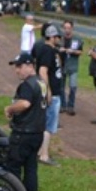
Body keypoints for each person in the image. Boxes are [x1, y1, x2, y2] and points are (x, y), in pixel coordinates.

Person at [3, 52, 47, 191]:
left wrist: (10, 108)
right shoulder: (41, 82)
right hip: (37, 132)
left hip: (24, 133)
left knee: (13, 169)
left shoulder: (27, 85)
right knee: (31, 169)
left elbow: (25, 103)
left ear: (29, 65)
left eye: (19, 66)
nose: (17, 70)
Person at [36, 24, 63, 166]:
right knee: (49, 125)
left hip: (54, 92)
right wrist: (48, 91)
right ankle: (44, 155)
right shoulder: (47, 51)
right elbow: (42, 71)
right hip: (51, 93)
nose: (59, 39)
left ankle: (41, 151)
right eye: (58, 36)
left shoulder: (51, 50)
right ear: (52, 37)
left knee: (47, 123)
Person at [59, 20, 83, 115]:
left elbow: (80, 52)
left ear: (72, 28)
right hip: (62, 66)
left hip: (73, 66)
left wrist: (72, 51)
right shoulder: (60, 39)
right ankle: (63, 105)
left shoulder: (77, 39)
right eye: (65, 28)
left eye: (69, 28)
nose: (67, 30)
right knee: (61, 87)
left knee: (73, 87)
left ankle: (71, 106)